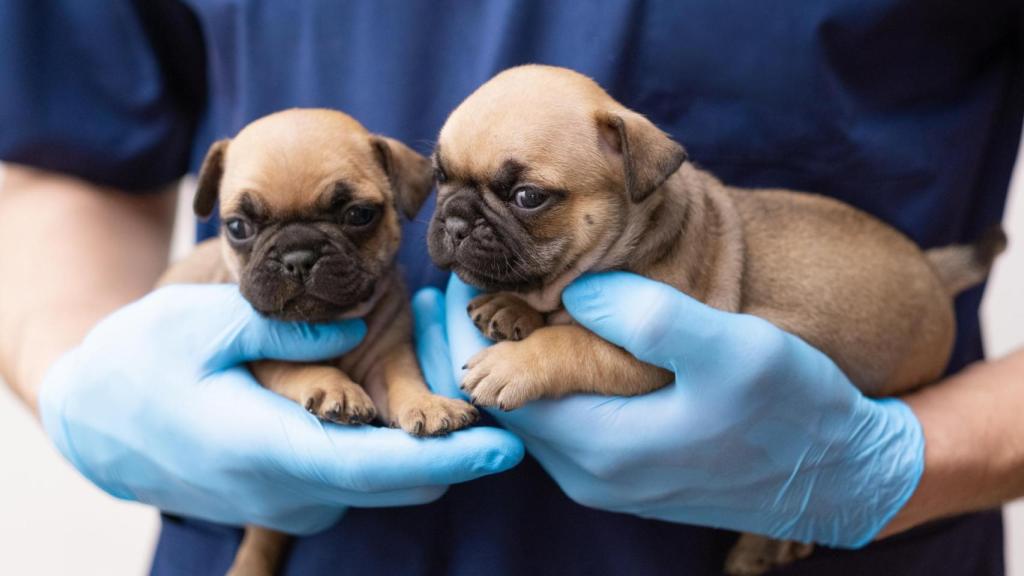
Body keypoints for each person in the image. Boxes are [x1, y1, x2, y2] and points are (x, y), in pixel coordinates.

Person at [1, 1, 1022, 575]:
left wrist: (921, 459)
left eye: (523, 199)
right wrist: (75, 378)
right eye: (444, 187)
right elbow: (55, 156)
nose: (453, 225)